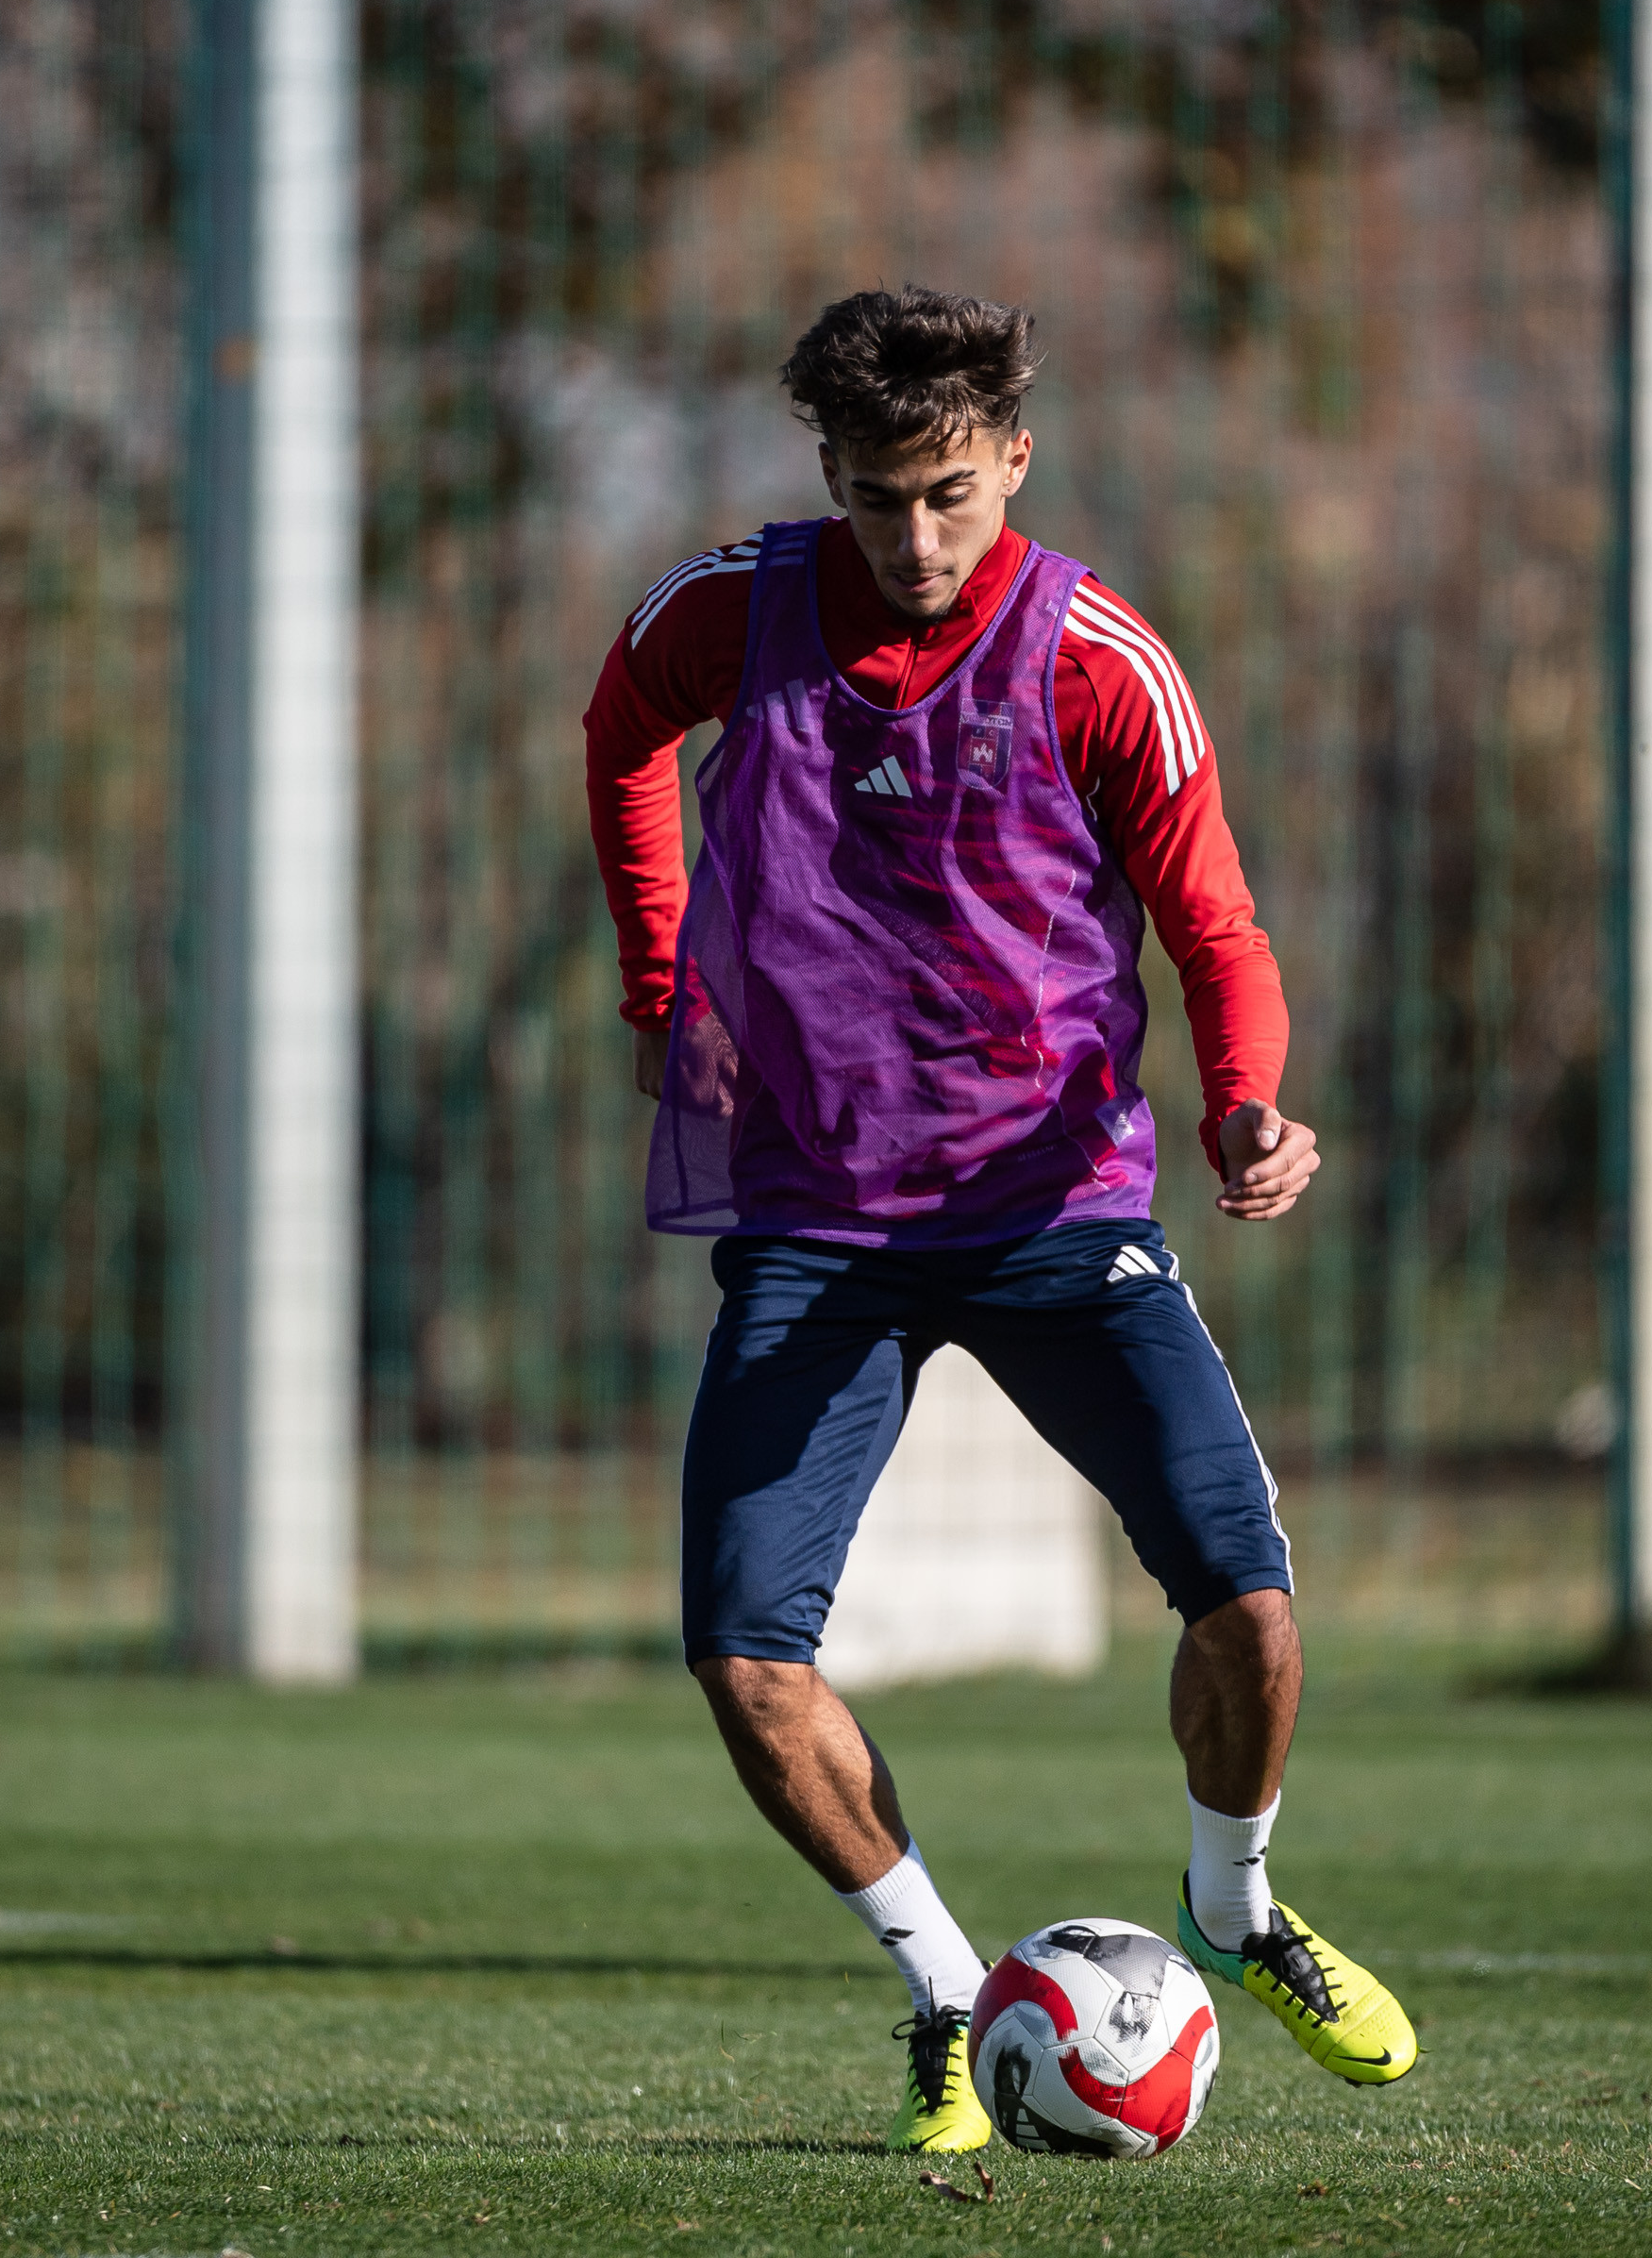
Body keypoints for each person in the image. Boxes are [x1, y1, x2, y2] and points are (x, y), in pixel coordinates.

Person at [582, 287, 1418, 2152]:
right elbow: (621, 727)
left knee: (1252, 1611)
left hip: (1054, 1207)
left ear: (1016, 462)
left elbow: (1213, 921)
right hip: (820, 1216)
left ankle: (1237, 1906)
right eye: (878, 498)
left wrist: (1245, 1099)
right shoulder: (731, 609)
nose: (915, 538)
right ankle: (951, 1999)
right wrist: (661, 985)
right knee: (745, 1660)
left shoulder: (1099, 656)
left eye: (950, 494)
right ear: (830, 474)